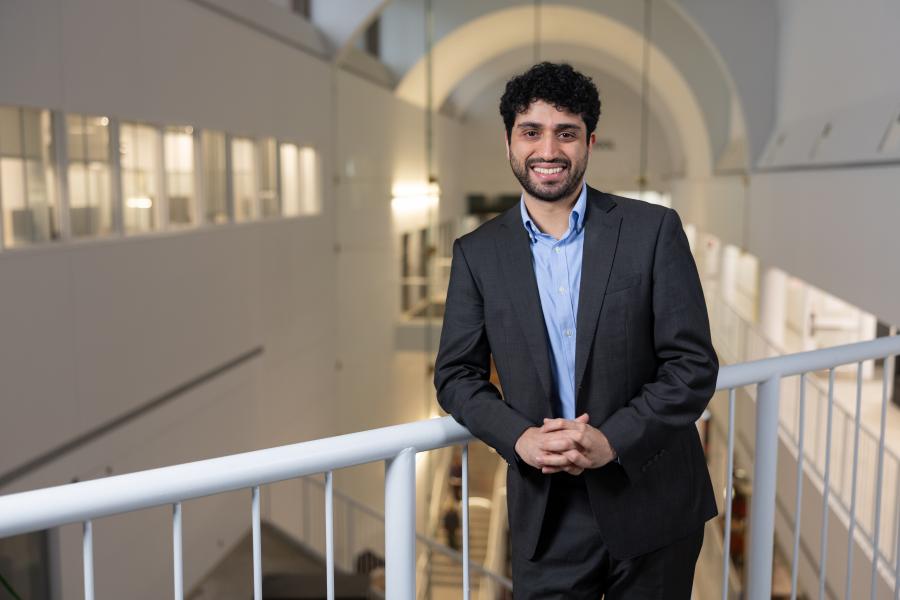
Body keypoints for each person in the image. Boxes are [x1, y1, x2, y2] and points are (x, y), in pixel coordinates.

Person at [433, 62, 719, 599]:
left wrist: (613, 441)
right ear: (509, 143)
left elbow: (693, 365)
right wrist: (519, 438)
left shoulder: (652, 231)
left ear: (589, 141)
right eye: (531, 132)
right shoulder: (477, 254)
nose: (549, 149)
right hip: (548, 516)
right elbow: (455, 376)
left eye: (566, 132)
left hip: (651, 496)